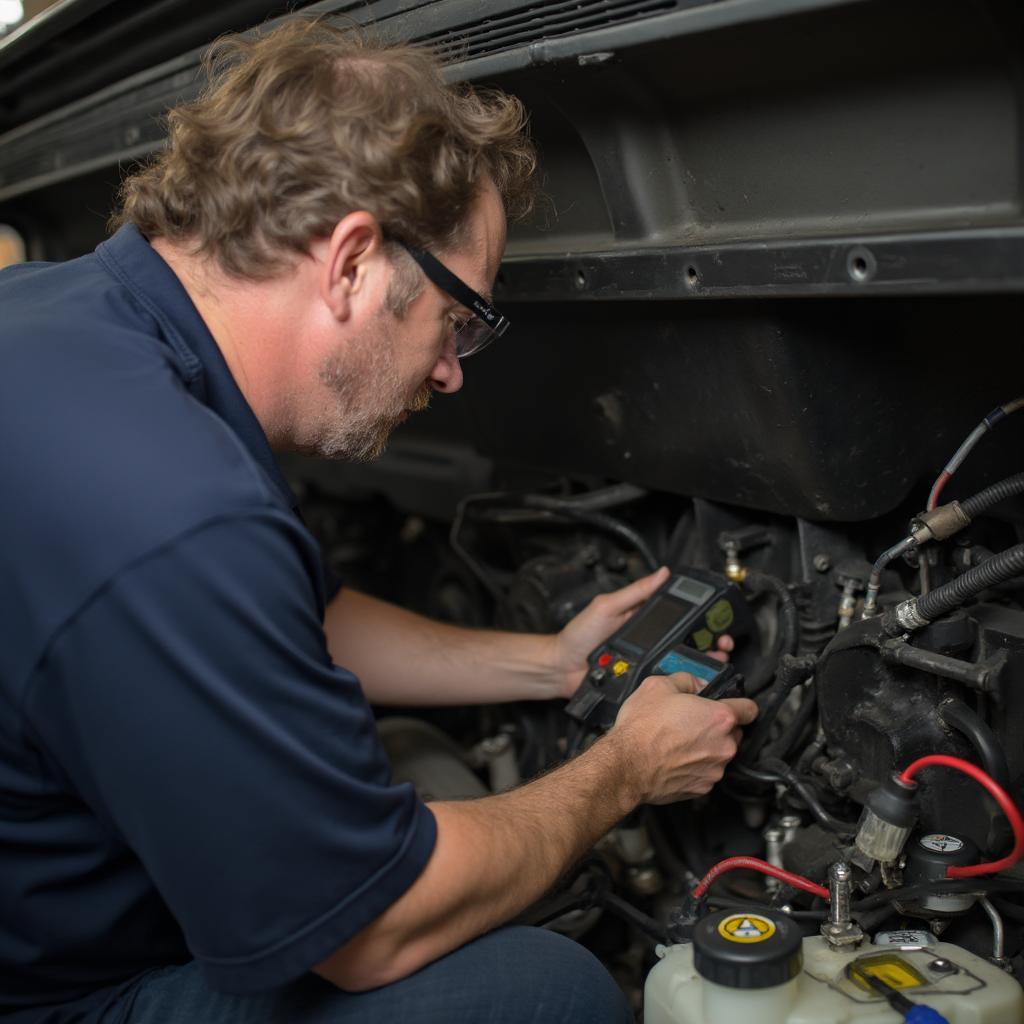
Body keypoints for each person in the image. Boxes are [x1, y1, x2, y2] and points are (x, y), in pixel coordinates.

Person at [0, 17, 758, 1024]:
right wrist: (621, 771)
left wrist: (553, 662)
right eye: (459, 319)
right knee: (544, 990)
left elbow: (289, 620)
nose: (449, 370)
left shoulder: (54, 315)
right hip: (51, 998)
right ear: (353, 260)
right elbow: (371, 929)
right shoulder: (178, 514)